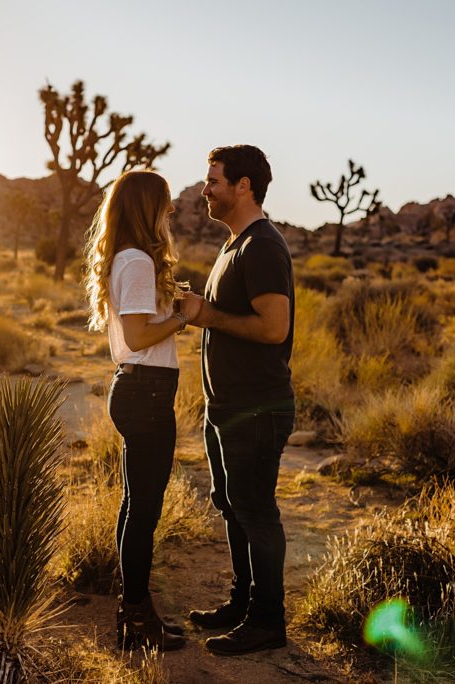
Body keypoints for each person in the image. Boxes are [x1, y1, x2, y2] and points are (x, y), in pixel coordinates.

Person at [182, 145, 295, 656]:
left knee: (256, 511)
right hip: (226, 406)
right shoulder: (234, 244)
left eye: (213, 181)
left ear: (243, 186)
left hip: (256, 407)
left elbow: (274, 328)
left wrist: (207, 316)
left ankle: (268, 621)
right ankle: (243, 602)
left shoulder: (262, 246)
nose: (205, 190)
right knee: (232, 506)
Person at [83, 169, 200, 651]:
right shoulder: (135, 262)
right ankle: (136, 619)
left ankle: (135, 614)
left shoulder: (129, 259)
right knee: (144, 510)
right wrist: (182, 317)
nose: (170, 210)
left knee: (136, 506)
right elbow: (136, 338)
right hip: (146, 394)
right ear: (146, 207)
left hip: (141, 392)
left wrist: (170, 307)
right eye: (164, 201)